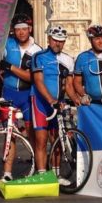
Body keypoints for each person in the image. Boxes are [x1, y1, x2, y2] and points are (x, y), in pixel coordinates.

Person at [0, 14, 41, 181]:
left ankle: (39, 168)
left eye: (24, 29)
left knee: (33, 133)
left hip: (28, 95)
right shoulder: (7, 44)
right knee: (10, 135)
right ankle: (7, 173)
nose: (21, 32)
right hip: (9, 93)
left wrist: (10, 67)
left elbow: (32, 77)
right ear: (13, 31)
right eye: (18, 30)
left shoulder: (37, 50)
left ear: (30, 29)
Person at [30, 25, 75, 176]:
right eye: (55, 40)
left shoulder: (68, 59)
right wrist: (50, 100)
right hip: (41, 102)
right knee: (41, 141)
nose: (58, 43)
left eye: (61, 41)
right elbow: (38, 81)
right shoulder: (39, 56)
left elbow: (69, 85)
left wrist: (78, 100)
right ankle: (42, 175)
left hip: (57, 103)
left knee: (57, 141)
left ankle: (56, 175)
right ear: (49, 39)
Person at [72, 24, 102, 106]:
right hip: (92, 104)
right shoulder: (82, 58)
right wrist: (83, 95)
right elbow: (77, 81)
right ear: (90, 40)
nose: (101, 41)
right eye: (97, 38)